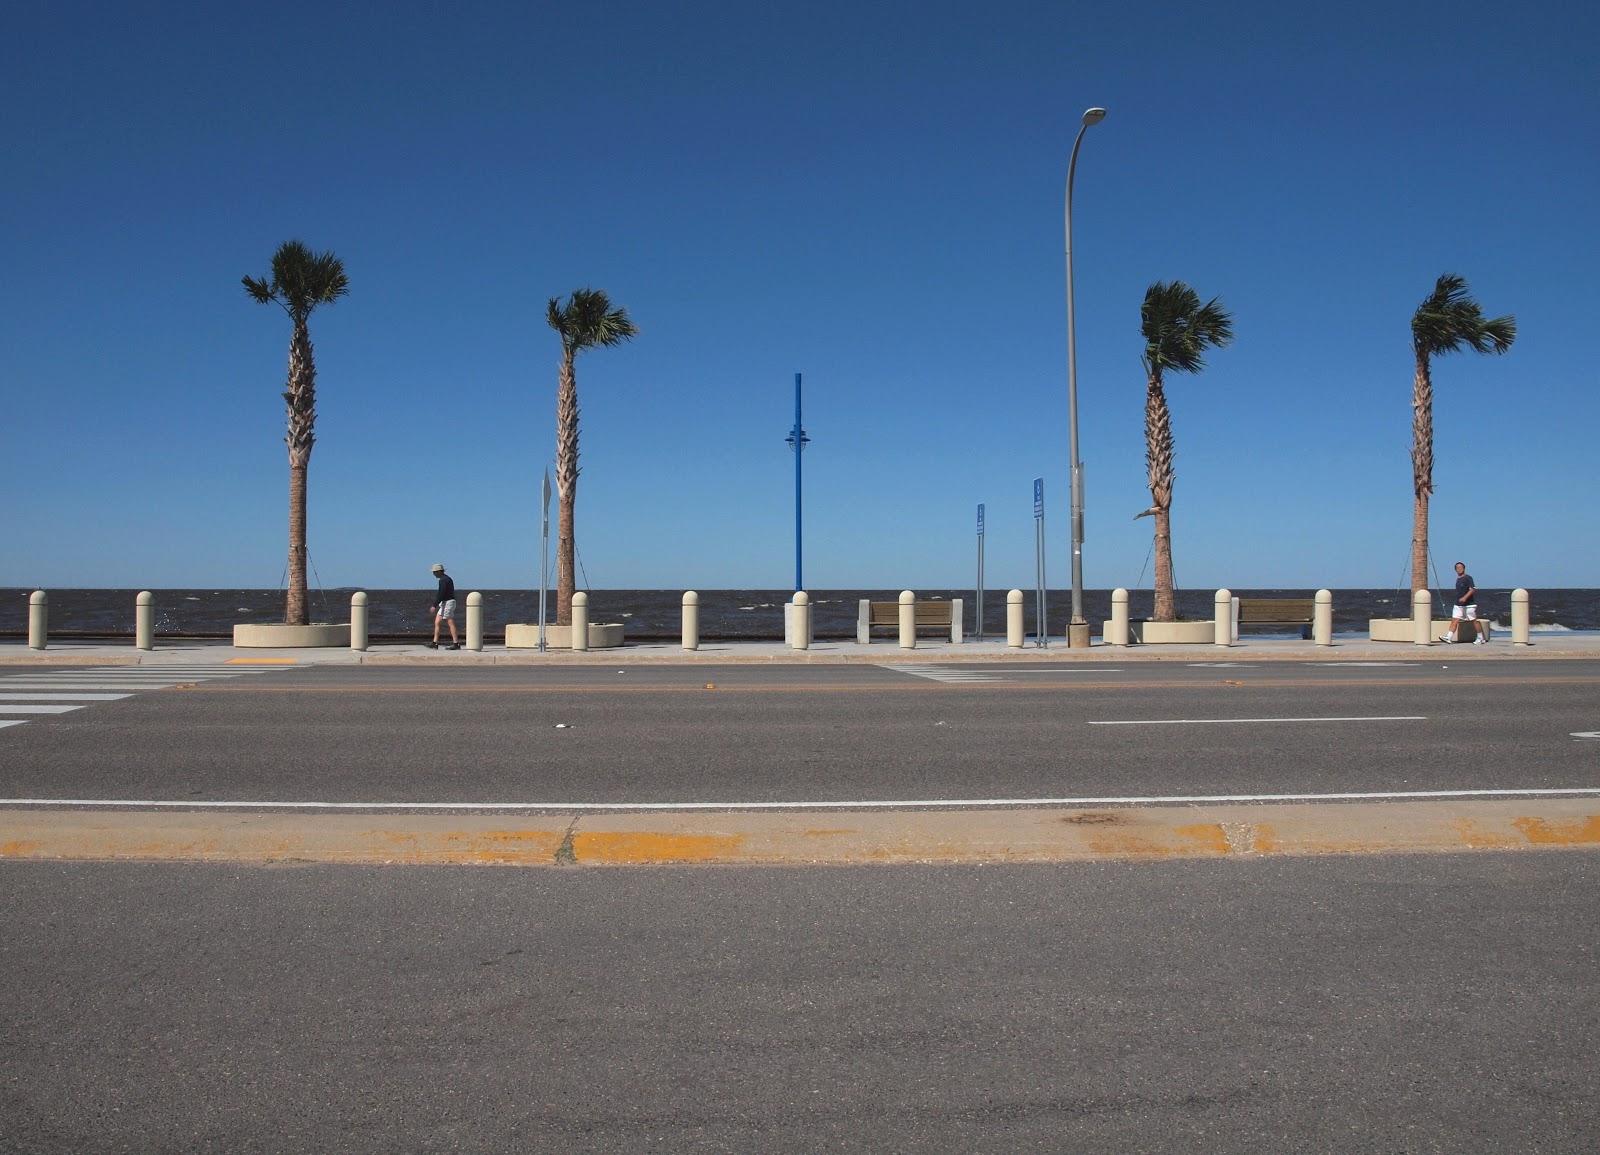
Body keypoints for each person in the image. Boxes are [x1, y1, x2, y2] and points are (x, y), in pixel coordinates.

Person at [1443, 560, 1483, 644]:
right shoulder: (1458, 579)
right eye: (1457, 568)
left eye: (1461, 567)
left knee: (1473, 620)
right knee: (1454, 620)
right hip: (1458, 604)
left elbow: (1472, 589)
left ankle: (1480, 637)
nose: (1459, 569)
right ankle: (1448, 637)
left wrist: (1465, 597)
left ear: (1464, 568)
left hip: (1469, 604)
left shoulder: (1468, 578)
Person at [428, 563, 460, 649]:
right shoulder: (445, 579)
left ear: (438, 572)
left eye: (434, 572)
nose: (433, 574)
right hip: (444, 603)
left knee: (450, 621)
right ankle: (435, 643)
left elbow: (441, 593)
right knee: (437, 622)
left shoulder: (443, 580)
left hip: (448, 602)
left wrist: (434, 605)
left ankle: (456, 643)